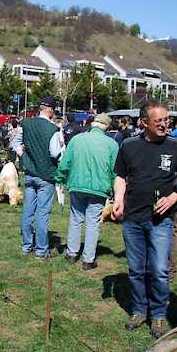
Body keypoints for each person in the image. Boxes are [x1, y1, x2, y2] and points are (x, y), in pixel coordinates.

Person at [112, 100, 177, 339]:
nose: (164, 125)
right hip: (133, 218)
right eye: (158, 121)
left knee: (159, 269)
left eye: (166, 120)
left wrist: (173, 198)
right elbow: (120, 177)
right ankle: (139, 310)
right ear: (144, 122)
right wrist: (119, 199)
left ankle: (158, 314)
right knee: (136, 269)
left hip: (161, 220)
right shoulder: (128, 146)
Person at [55, 113, 119, 270]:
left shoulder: (77, 139)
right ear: (107, 127)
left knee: (76, 220)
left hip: (77, 184)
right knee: (92, 223)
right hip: (99, 188)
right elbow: (114, 171)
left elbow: (65, 162)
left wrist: (60, 179)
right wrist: (114, 191)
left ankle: (71, 253)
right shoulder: (112, 144)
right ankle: (88, 259)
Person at [13, 97, 63, 259]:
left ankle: (26, 246)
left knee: (28, 210)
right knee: (42, 213)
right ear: (51, 111)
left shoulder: (26, 124)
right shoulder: (52, 129)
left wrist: (24, 156)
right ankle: (42, 250)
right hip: (45, 175)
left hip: (30, 173)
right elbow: (55, 152)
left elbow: (15, 143)